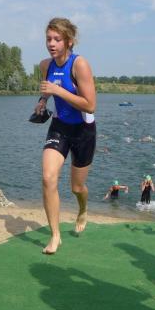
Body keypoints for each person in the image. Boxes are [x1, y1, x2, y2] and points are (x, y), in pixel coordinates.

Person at [33, 17, 97, 255]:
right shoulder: (45, 65)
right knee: (48, 178)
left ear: (69, 41)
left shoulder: (79, 65)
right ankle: (55, 235)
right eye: (48, 39)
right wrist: (42, 100)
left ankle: (83, 209)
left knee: (76, 187)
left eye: (57, 39)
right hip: (59, 126)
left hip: (83, 131)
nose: (51, 44)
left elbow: (90, 105)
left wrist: (57, 91)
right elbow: (48, 88)